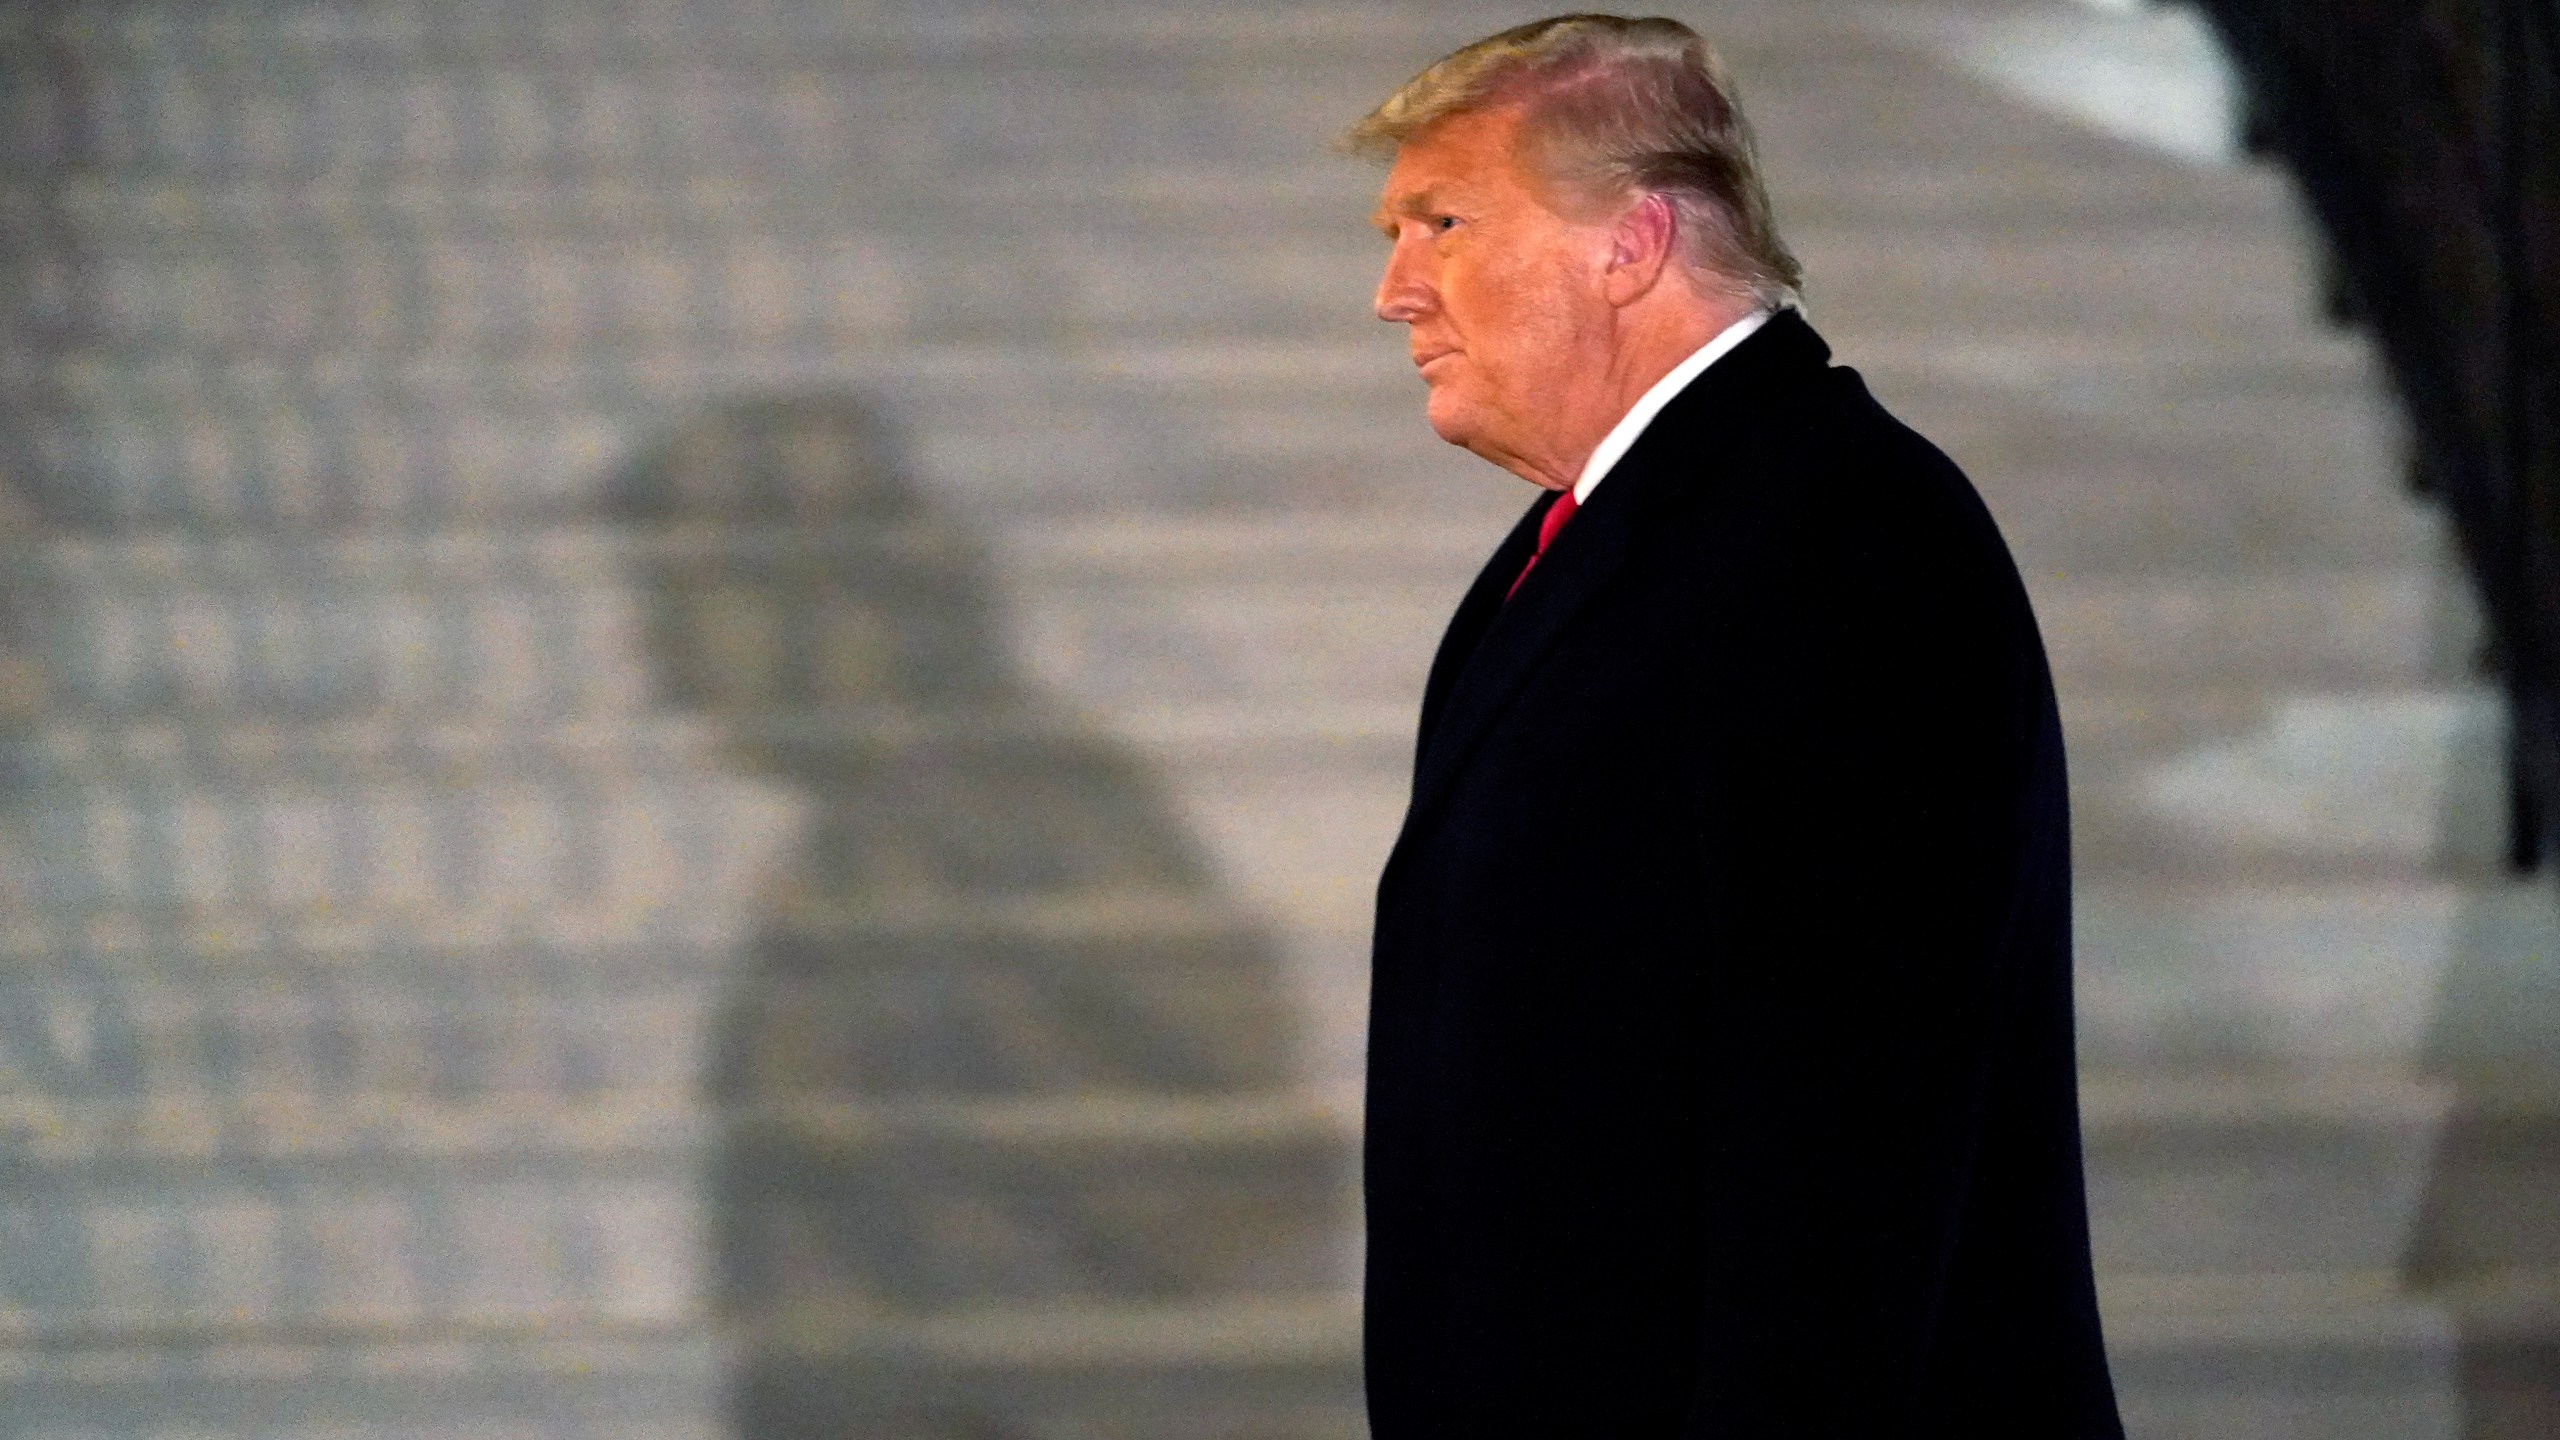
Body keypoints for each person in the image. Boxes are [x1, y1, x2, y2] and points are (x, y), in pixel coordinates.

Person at [1347, 16, 2125, 1437]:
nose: (1398, 290)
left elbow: (1850, 1153)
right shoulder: (1589, 544)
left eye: (1441, 222)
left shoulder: (1848, 543)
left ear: (1632, 242)